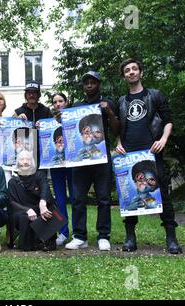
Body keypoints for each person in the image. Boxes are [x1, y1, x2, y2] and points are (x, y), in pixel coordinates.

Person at [116, 58, 182, 254]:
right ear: (124, 76)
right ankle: (130, 238)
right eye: (127, 70)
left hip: (152, 154)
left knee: (163, 195)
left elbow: (168, 120)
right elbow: (119, 128)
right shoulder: (121, 101)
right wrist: (118, 143)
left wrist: (163, 139)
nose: (131, 72)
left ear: (141, 73)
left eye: (134, 69)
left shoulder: (155, 95)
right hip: (129, 155)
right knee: (129, 193)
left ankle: (171, 238)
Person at [65, 71, 119, 251]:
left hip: (101, 159)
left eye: (93, 82)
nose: (89, 85)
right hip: (80, 160)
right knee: (78, 198)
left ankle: (103, 236)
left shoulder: (107, 103)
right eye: (86, 82)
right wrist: (62, 120)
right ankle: (80, 236)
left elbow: (117, 128)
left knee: (103, 198)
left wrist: (109, 112)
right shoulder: (77, 106)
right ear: (83, 86)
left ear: (99, 84)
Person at [8, 150, 57, 251]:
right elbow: (12, 202)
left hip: (39, 208)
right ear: (18, 162)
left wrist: (42, 203)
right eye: (22, 159)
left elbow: (45, 190)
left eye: (28, 159)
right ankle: (31, 243)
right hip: (22, 211)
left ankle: (47, 242)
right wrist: (27, 210)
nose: (25, 162)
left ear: (32, 162)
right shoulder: (13, 182)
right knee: (23, 217)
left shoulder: (40, 176)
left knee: (48, 211)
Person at [49, 92, 74, 246]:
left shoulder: (73, 119)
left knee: (76, 197)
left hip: (72, 164)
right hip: (56, 165)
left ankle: (79, 232)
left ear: (66, 102)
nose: (58, 104)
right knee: (59, 199)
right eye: (55, 102)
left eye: (60, 101)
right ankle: (63, 232)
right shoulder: (49, 123)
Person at [13, 81, 53, 166]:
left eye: (34, 93)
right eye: (29, 93)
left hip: (42, 154)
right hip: (24, 154)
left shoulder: (46, 111)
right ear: (25, 95)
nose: (31, 95)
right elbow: (10, 131)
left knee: (41, 178)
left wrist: (45, 126)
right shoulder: (18, 111)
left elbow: (53, 130)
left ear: (38, 94)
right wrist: (17, 120)